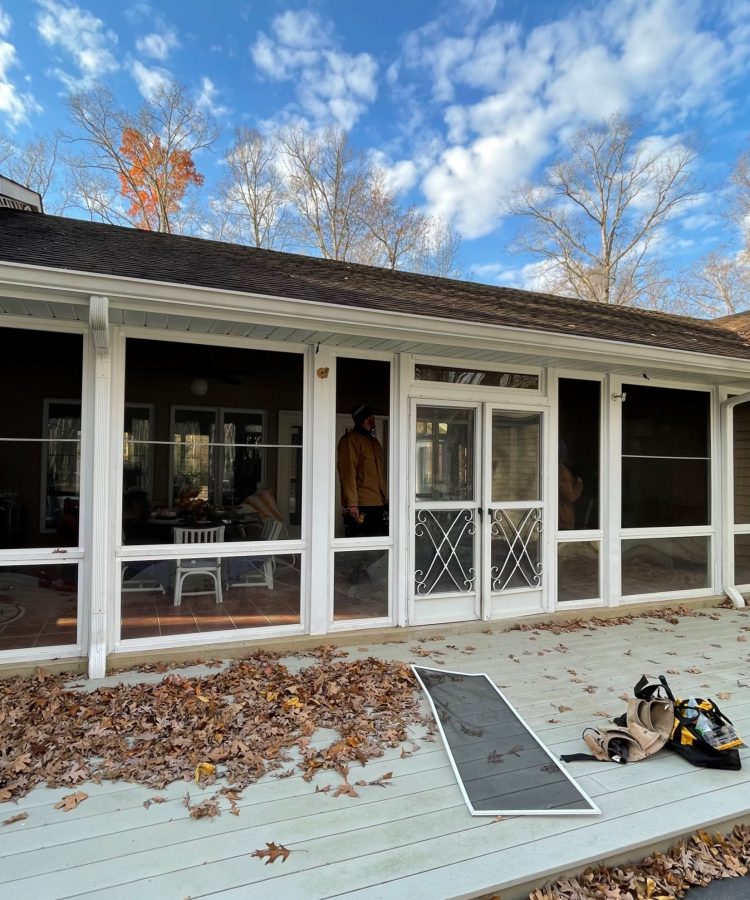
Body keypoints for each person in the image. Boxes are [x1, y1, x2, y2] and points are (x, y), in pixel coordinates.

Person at [337, 403, 388, 537]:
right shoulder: (350, 440)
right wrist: (352, 504)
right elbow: (348, 473)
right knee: (359, 542)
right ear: (362, 419)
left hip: (378, 503)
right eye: (369, 416)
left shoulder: (374, 442)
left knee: (377, 543)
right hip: (361, 504)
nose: (373, 419)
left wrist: (386, 499)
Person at [558, 440, 583, 530]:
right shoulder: (562, 471)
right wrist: (579, 484)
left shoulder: (557, 469)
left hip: (559, 514)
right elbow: (570, 496)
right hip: (563, 516)